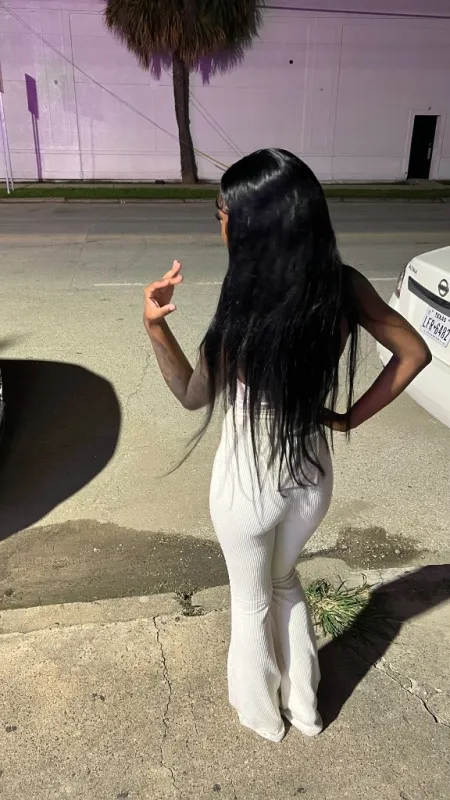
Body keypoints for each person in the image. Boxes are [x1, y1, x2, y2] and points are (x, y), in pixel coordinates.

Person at [143, 148, 431, 743]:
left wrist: (155, 325)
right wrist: (348, 418)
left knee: (251, 601)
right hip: (312, 477)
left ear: (254, 224)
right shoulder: (343, 285)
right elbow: (414, 353)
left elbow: (193, 396)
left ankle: (262, 717)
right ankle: (305, 709)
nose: (220, 223)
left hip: (248, 484)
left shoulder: (242, 302)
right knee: (284, 581)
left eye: (223, 213)